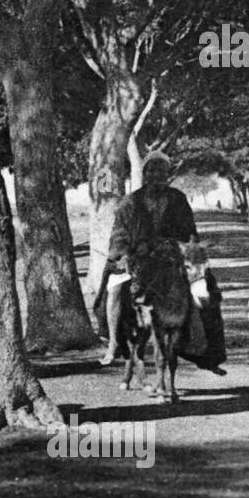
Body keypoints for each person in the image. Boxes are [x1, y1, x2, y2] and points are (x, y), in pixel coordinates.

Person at [96, 152, 201, 366]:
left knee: (201, 290)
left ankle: (197, 345)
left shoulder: (177, 199)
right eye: (152, 170)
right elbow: (119, 231)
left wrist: (187, 248)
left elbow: (190, 231)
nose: (156, 175)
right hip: (136, 256)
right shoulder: (130, 201)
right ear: (145, 174)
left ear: (167, 174)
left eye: (161, 171)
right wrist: (122, 253)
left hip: (168, 256)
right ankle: (114, 343)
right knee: (114, 290)